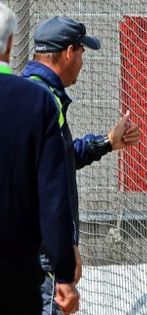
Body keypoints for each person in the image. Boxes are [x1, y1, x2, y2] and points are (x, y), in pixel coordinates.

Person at [21, 15, 141, 315]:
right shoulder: (45, 101)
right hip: (41, 255)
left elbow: (57, 161)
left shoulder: (30, 93)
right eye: (83, 53)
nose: (83, 63)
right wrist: (62, 252)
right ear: (69, 52)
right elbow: (46, 188)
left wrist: (107, 143)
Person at [0, 4, 79, 315]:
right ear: (10, 43)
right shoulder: (36, 101)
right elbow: (52, 195)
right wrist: (64, 270)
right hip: (17, 269)